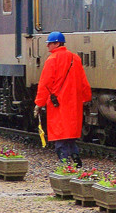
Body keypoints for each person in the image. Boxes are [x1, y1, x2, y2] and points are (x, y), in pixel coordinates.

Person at [33, 31, 91, 167]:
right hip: (74, 104)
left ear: (57, 43)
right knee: (70, 135)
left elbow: (45, 84)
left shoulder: (52, 60)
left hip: (58, 104)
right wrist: (86, 98)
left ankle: (65, 165)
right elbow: (83, 82)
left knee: (60, 136)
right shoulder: (75, 58)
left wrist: (38, 104)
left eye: (50, 43)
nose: (47, 46)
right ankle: (76, 160)